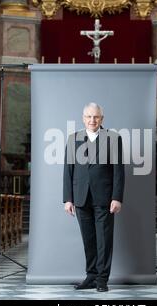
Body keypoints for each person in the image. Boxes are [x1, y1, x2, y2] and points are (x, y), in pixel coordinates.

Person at [63, 102, 125, 292]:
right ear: (83, 118)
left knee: (104, 240)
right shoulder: (73, 139)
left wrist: (117, 197)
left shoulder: (113, 138)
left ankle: (101, 280)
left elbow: (118, 171)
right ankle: (91, 276)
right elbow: (68, 170)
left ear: (102, 119)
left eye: (96, 117)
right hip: (81, 198)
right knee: (88, 239)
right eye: (89, 116)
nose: (92, 120)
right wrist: (68, 198)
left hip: (105, 198)